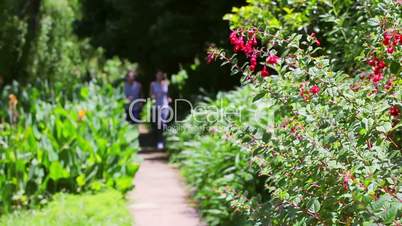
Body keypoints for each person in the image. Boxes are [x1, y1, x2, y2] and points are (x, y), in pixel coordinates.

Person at [150, 71, 171, 149]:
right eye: (158, 75)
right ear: (156, 75)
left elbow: (168, 95)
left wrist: (169, 99)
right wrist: (154, 96)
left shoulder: (166, 83)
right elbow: (151, 95)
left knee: (164, 123)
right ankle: (160, 141)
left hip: (165, 106)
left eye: (161, 75)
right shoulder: (153, 84)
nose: (159, 76)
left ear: (162, 76)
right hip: (157, 106)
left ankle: (164, 141)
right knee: (159, 124)